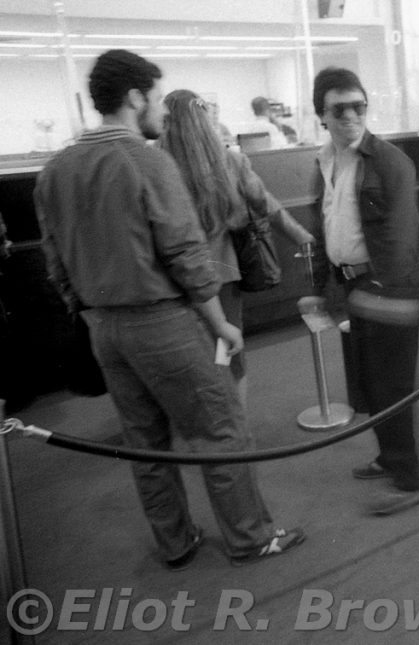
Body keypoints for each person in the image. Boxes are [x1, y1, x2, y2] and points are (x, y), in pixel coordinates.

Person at [33, 49, 305, 569]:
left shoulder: (56, 170)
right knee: (221, 429)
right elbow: (184, 252)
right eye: (155, 97)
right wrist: (220, 322)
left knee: (145, 442)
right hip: (161, 321)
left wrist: (85, 310)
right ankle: (250, 537)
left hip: (103, 327)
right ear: (135, 97)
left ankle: (175, 542)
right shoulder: (147, 161)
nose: (160, 108)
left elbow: (55, 260)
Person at [310, 67, 419, 515]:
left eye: (358, 106)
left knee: (393, 387)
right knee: (370, 385)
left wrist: (379, 293)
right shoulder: (325, 161)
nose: (350, 116)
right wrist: (328, 287)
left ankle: (412, 477)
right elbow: (324, 223)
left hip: (387, 289)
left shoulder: (389, 162)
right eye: (338, 109)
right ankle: (389, 456)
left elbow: (403, 240)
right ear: (320, 114)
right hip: (352, 285)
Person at [159, 89, 315, 406]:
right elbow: (266, 205)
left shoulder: (159, 168)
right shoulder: (229, 161)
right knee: (228, 350)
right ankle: (234, 429)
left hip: (174, 278)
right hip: (222, 274)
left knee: (190, 356)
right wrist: (300, 235)